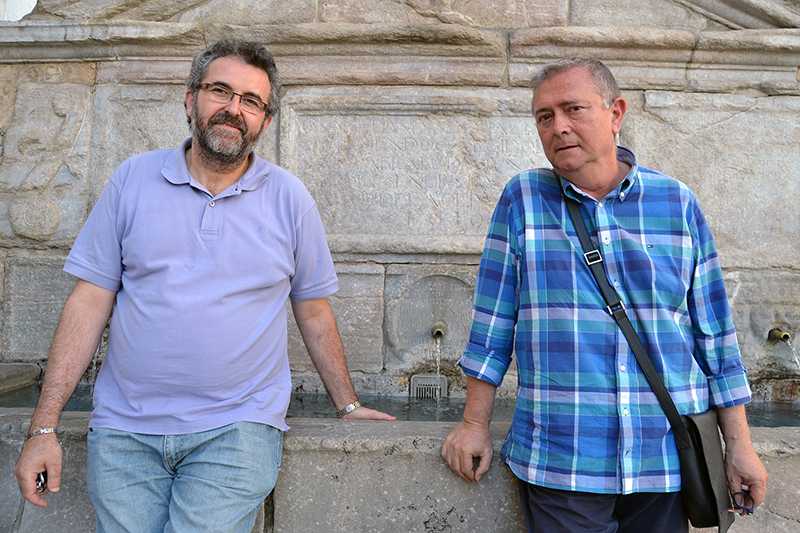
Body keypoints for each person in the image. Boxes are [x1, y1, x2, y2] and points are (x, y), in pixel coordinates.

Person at [14, 39, 394, 532]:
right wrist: (43, 428)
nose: (233, 109)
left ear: (265, 121)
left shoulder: (290, 199)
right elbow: (88, 302)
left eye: (251, 101)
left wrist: (348, 404)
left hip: (237, 434)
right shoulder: (132, 180)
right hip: (125, 433)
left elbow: (313, 309)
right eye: (220, 91)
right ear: (190, 99)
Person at [441, 57, 768, 532]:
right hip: (564, 456)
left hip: (666, 458)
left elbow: (715, 335)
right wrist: (474, 425)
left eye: (574, 109)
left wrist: (738, 444)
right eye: (544, 117)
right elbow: (492, 325)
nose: (559, 127)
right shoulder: (523, 201)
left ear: (616, 113)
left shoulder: (676, 202)